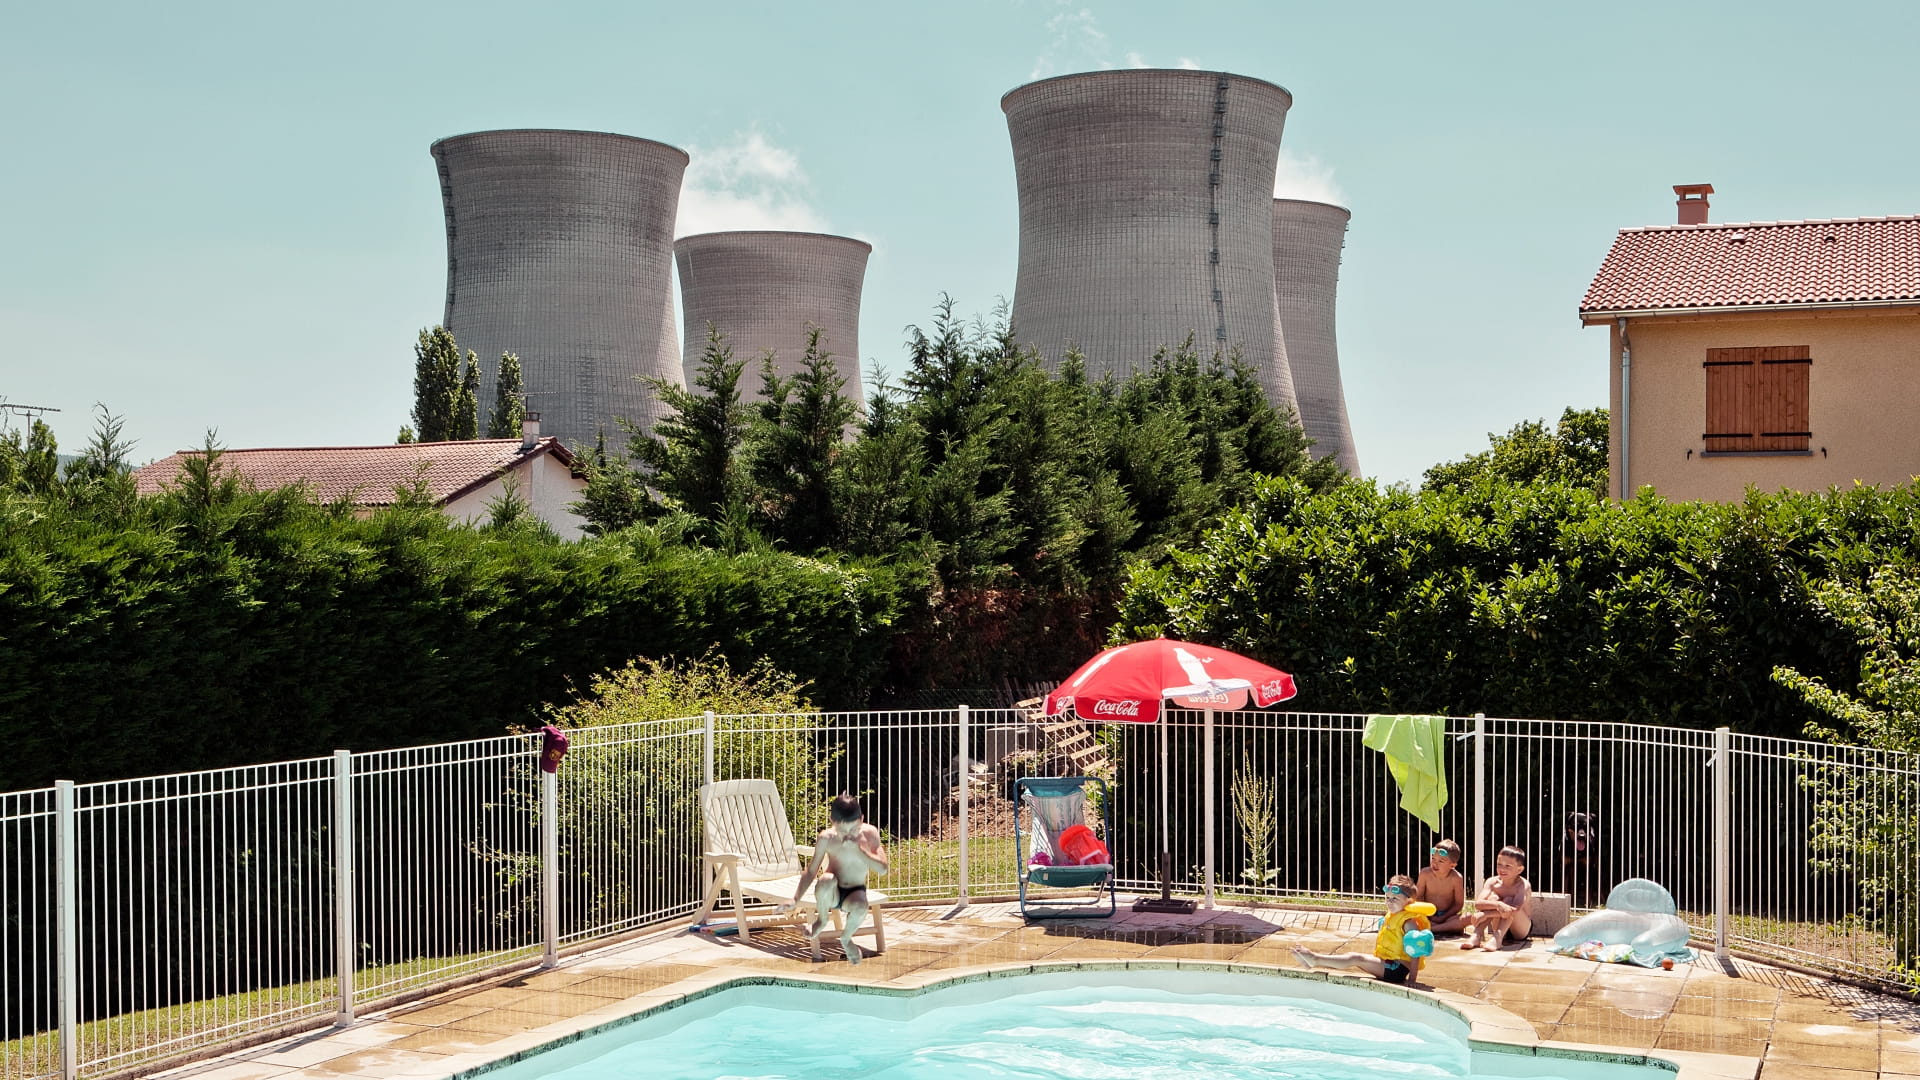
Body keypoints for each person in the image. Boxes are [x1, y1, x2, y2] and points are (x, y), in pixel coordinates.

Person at [788, 792, 889, 964]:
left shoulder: (870, 834)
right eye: (842, 830)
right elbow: (811, 871)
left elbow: (883, 869)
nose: (848, 834)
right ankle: (822, 920)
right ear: (832, 822)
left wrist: (860, 851)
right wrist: (795, 899)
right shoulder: (826, 838)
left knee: (860, 907)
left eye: (853, 828)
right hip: (832, 891)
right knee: (826, 879)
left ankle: (846, 938)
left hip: (854, 892)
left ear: (861, 819)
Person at [1292, 874, 1435, 985]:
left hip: (1396, 970)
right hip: (1388, 963)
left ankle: (1316, 959)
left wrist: (1412, 980)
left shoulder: (1409, 922)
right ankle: (1315, 961)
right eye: (1387, 897)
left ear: (1409, 901)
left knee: (1356, 958)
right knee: (1356, 958)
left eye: (1395, 899)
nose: (1389, 902)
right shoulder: (1392, 916)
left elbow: (1415, 953)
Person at [1462, 845, 1532, 951]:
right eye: (1499, 864)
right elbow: (1478, 903)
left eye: (1508, 866)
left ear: (1519, 869)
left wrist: (1486, 914)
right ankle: (1477, 935)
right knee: (1493, 899)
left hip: (1520, 930)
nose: (1502, 869)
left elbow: (1514, 909)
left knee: (1508, 901)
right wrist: (1498, 904)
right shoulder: (1492, 882)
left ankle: (1497, 939)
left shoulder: (1522, 885)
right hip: (1498, 923)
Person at [1416, 839, 1469, 934]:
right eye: (1433, 858)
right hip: (1427, 913)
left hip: (1447, 915)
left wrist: (1442, 918)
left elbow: (1458, 904)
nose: (1435, 863)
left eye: (1441, 861)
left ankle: (1433, 928)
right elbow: (1418, 897)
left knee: (1468, 918)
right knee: (1410, 916)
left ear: (1452, 865)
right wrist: (1428, 915)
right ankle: (1444, 927)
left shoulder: (1456, 878)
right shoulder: (1425, 873)